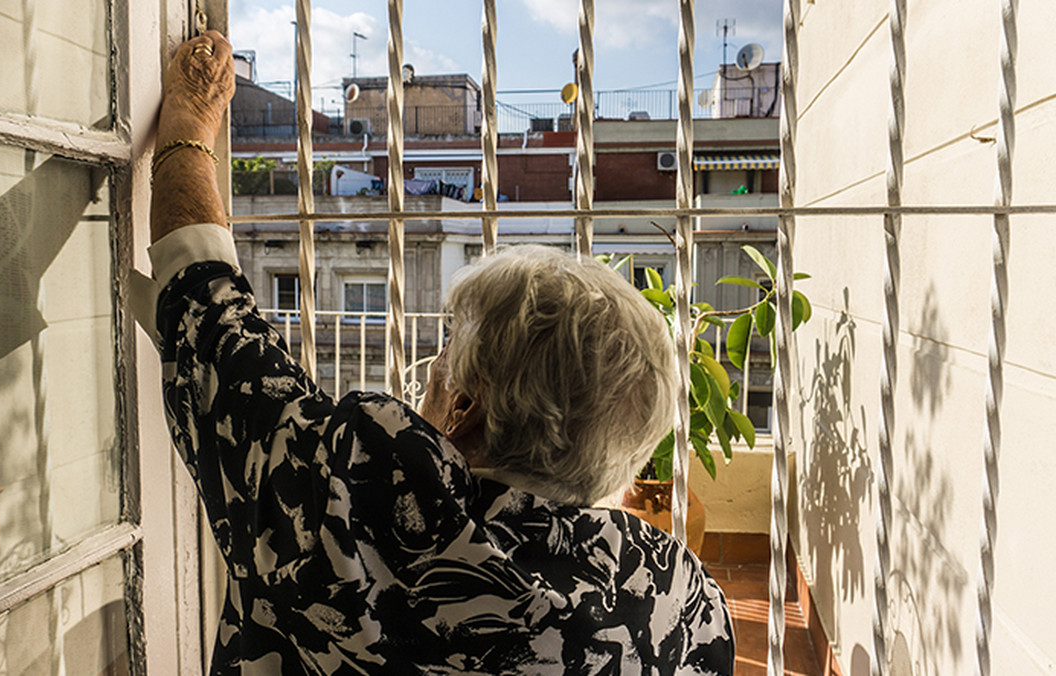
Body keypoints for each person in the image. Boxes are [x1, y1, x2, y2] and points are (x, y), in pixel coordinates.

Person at [142, 31, 734, 675]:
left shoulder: (355, 512)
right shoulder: (682, 600)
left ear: (466, 409)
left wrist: (190, 124)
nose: (431, 369)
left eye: (447, 351)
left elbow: (210, 317)